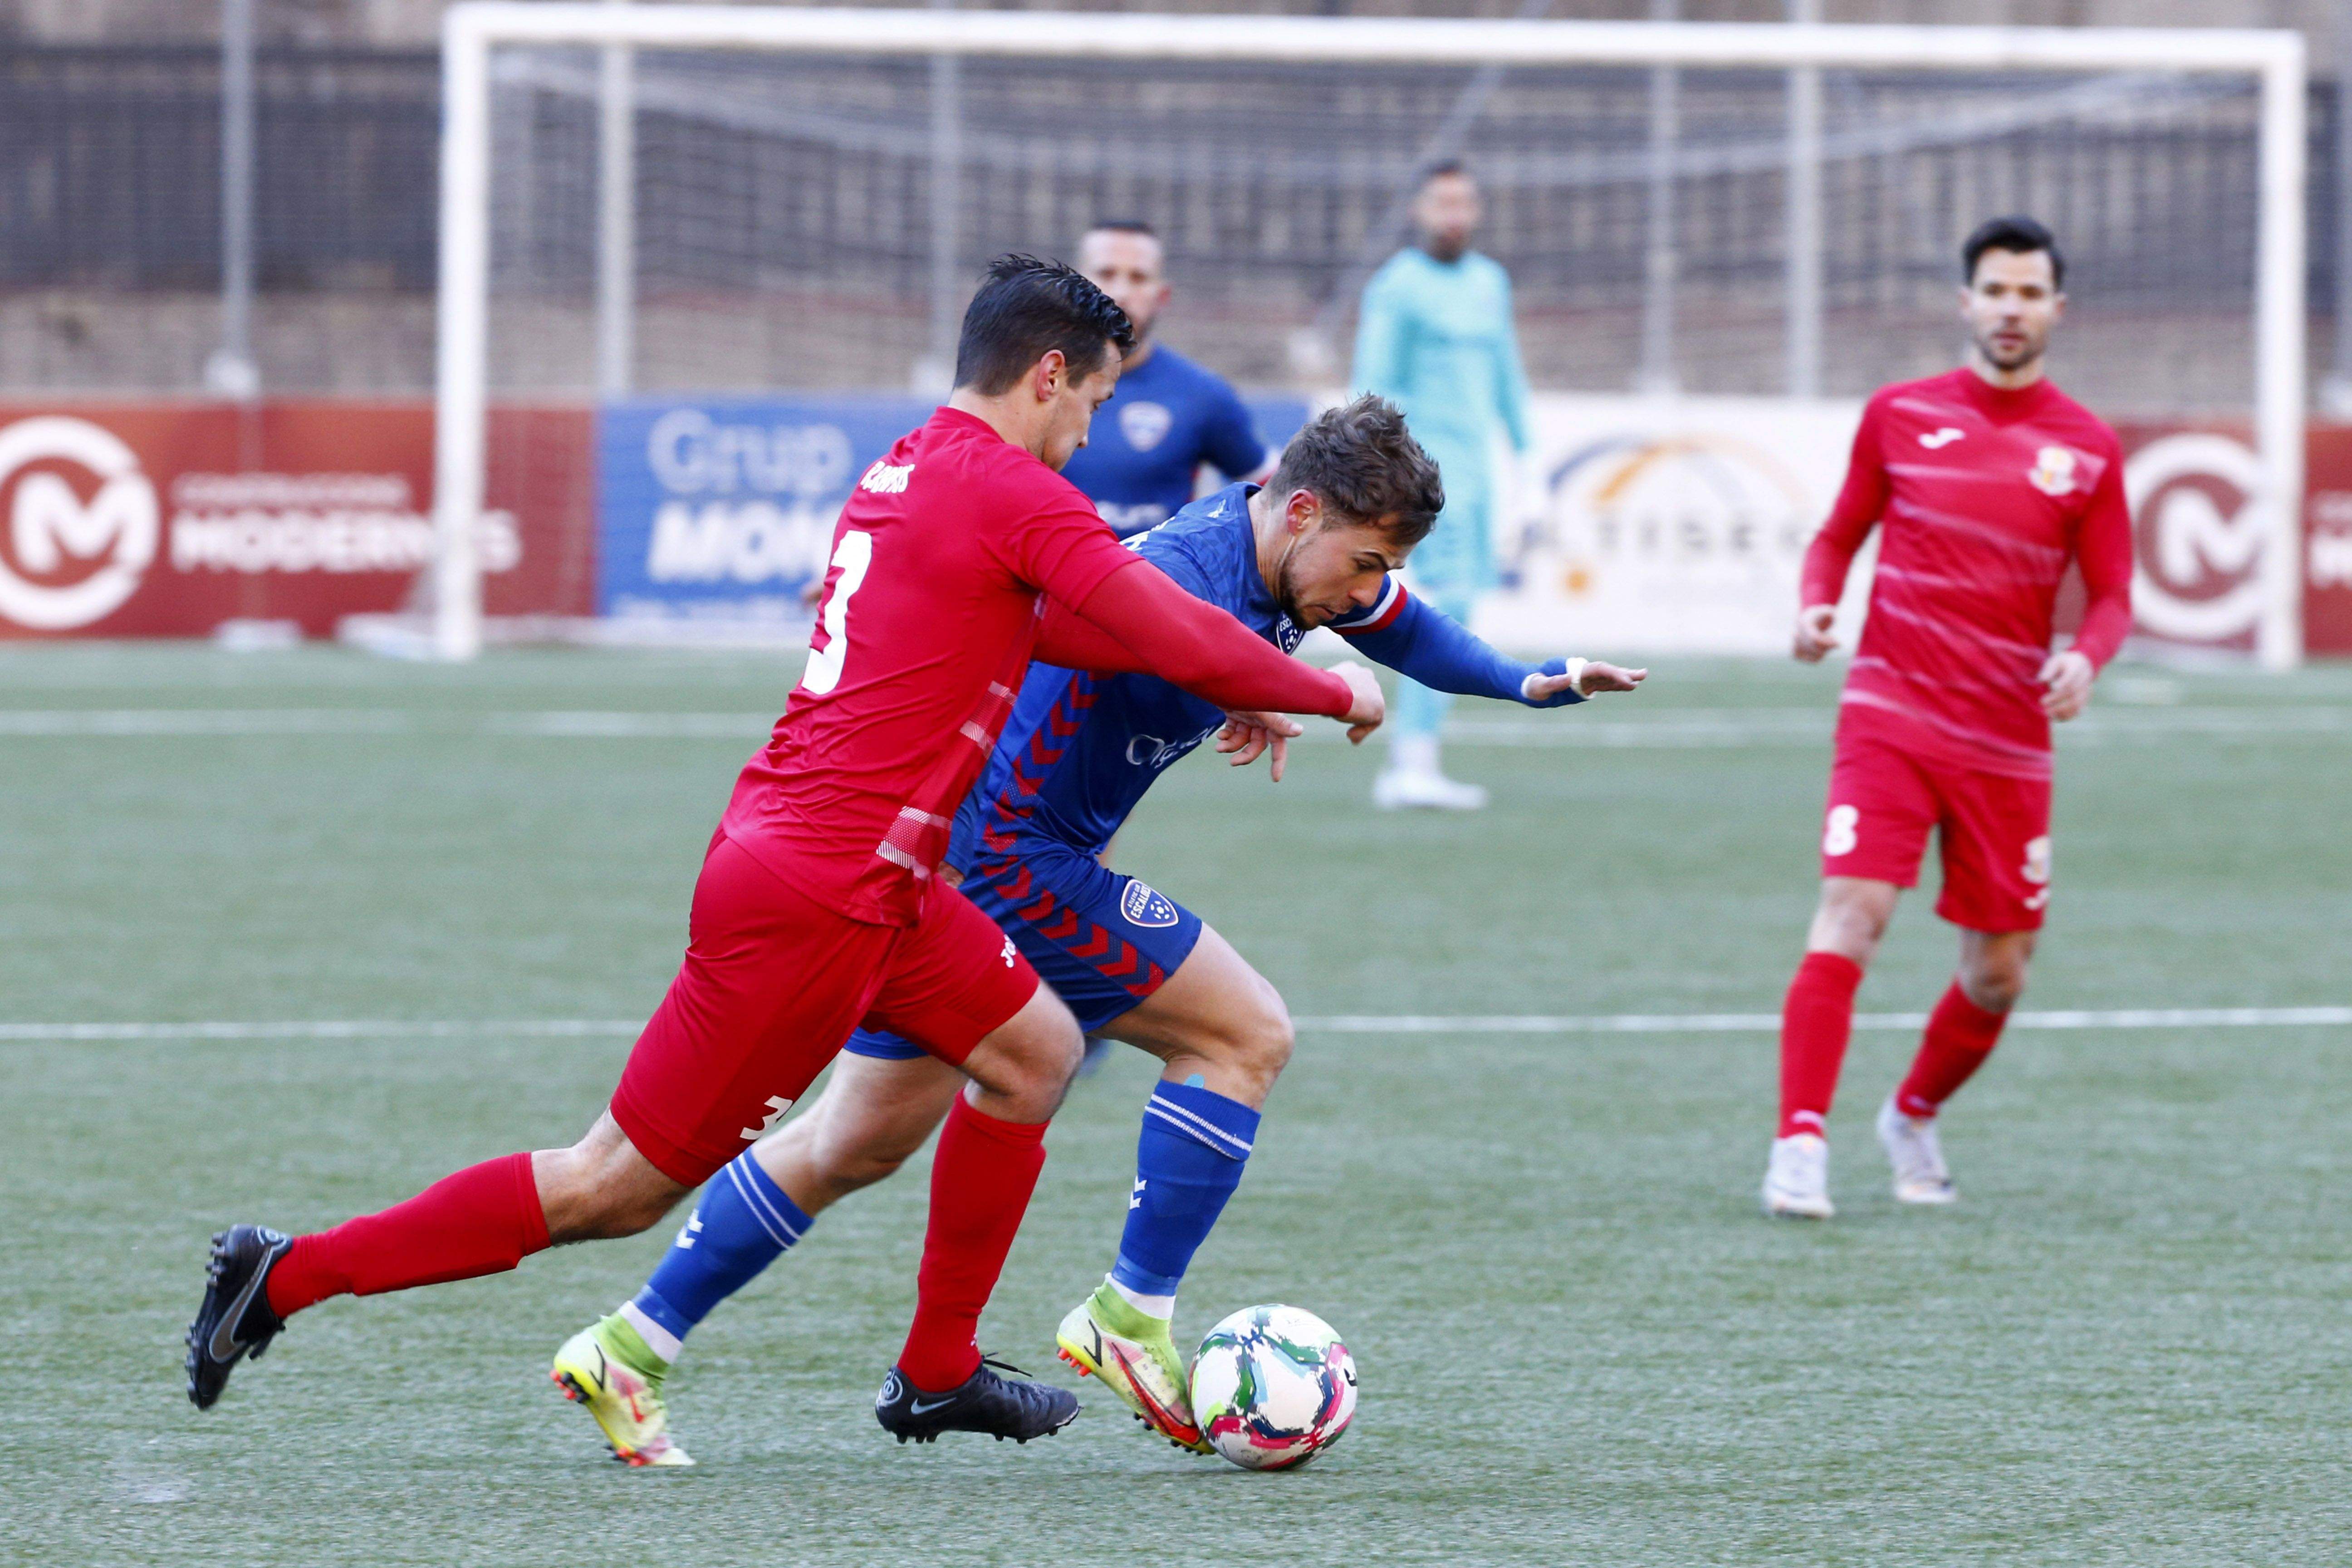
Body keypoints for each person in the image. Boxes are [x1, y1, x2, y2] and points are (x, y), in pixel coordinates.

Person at [185, 256, 1386, 1451]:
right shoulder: (1015, 493)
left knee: (1033, 1055)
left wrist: (1228, 680)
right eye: (1092, 405)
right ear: (1048, 375)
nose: (1092, 431)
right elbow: (1162, 621)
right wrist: (1324, 691)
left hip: (870, 875)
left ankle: (937, 1371)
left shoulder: (913, 466)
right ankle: (286, 1277)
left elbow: (1091, 630)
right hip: (824, 891)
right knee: (614, 1186)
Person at [545, 397, 1646, 1467]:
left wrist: (1530, 681)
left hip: (960, 872)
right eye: (1365, 559)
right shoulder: (1188, 572)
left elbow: (1400, 629)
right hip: (1014, 861)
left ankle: (629, 1344)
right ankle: (1131, 1311)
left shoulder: (1278, 566)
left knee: (853, 1141)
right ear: (1303, 511)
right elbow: (1066, 628)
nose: (1370, 587)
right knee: (1242, 1035)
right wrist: (1265, 685)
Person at [1759, 216, 2132, 1220]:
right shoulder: (1899, 414)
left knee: (2001, 971)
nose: (2011, 309)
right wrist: (1815, 602)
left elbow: (2112, 598)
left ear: (2057, 307)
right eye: (1995, 290)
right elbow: (1838, 536)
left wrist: (2085, 659)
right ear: (1967, 302)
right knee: (1854, 913)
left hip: (2010, 739)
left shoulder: (2088, 448)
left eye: (2029, 292)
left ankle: (1913, 1112)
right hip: (1891, 709)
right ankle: (1800, 1142)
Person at [1352, 160, 1534, 812]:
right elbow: (1373, 382)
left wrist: (1525, 449)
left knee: (1462, 606)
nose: (1452, 215)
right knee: (1448, 604)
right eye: (1440, 203)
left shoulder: (1490, 283)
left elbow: (1505, 369)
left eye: (1463, 203)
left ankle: (1417, 759)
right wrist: (1388, 470)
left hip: (1477, 476)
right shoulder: (1398, 287)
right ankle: (1412, 762)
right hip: (1422, 477)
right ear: (1418, 211)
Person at [1062, 220, 1274, 538]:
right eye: (1106, 274)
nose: (1120, 293)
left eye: (1138, 278)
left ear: (1161, 296)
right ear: (1075, 285)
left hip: (1152, 584)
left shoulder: (1202, 394)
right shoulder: (1028, 382)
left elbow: (1277, 491)